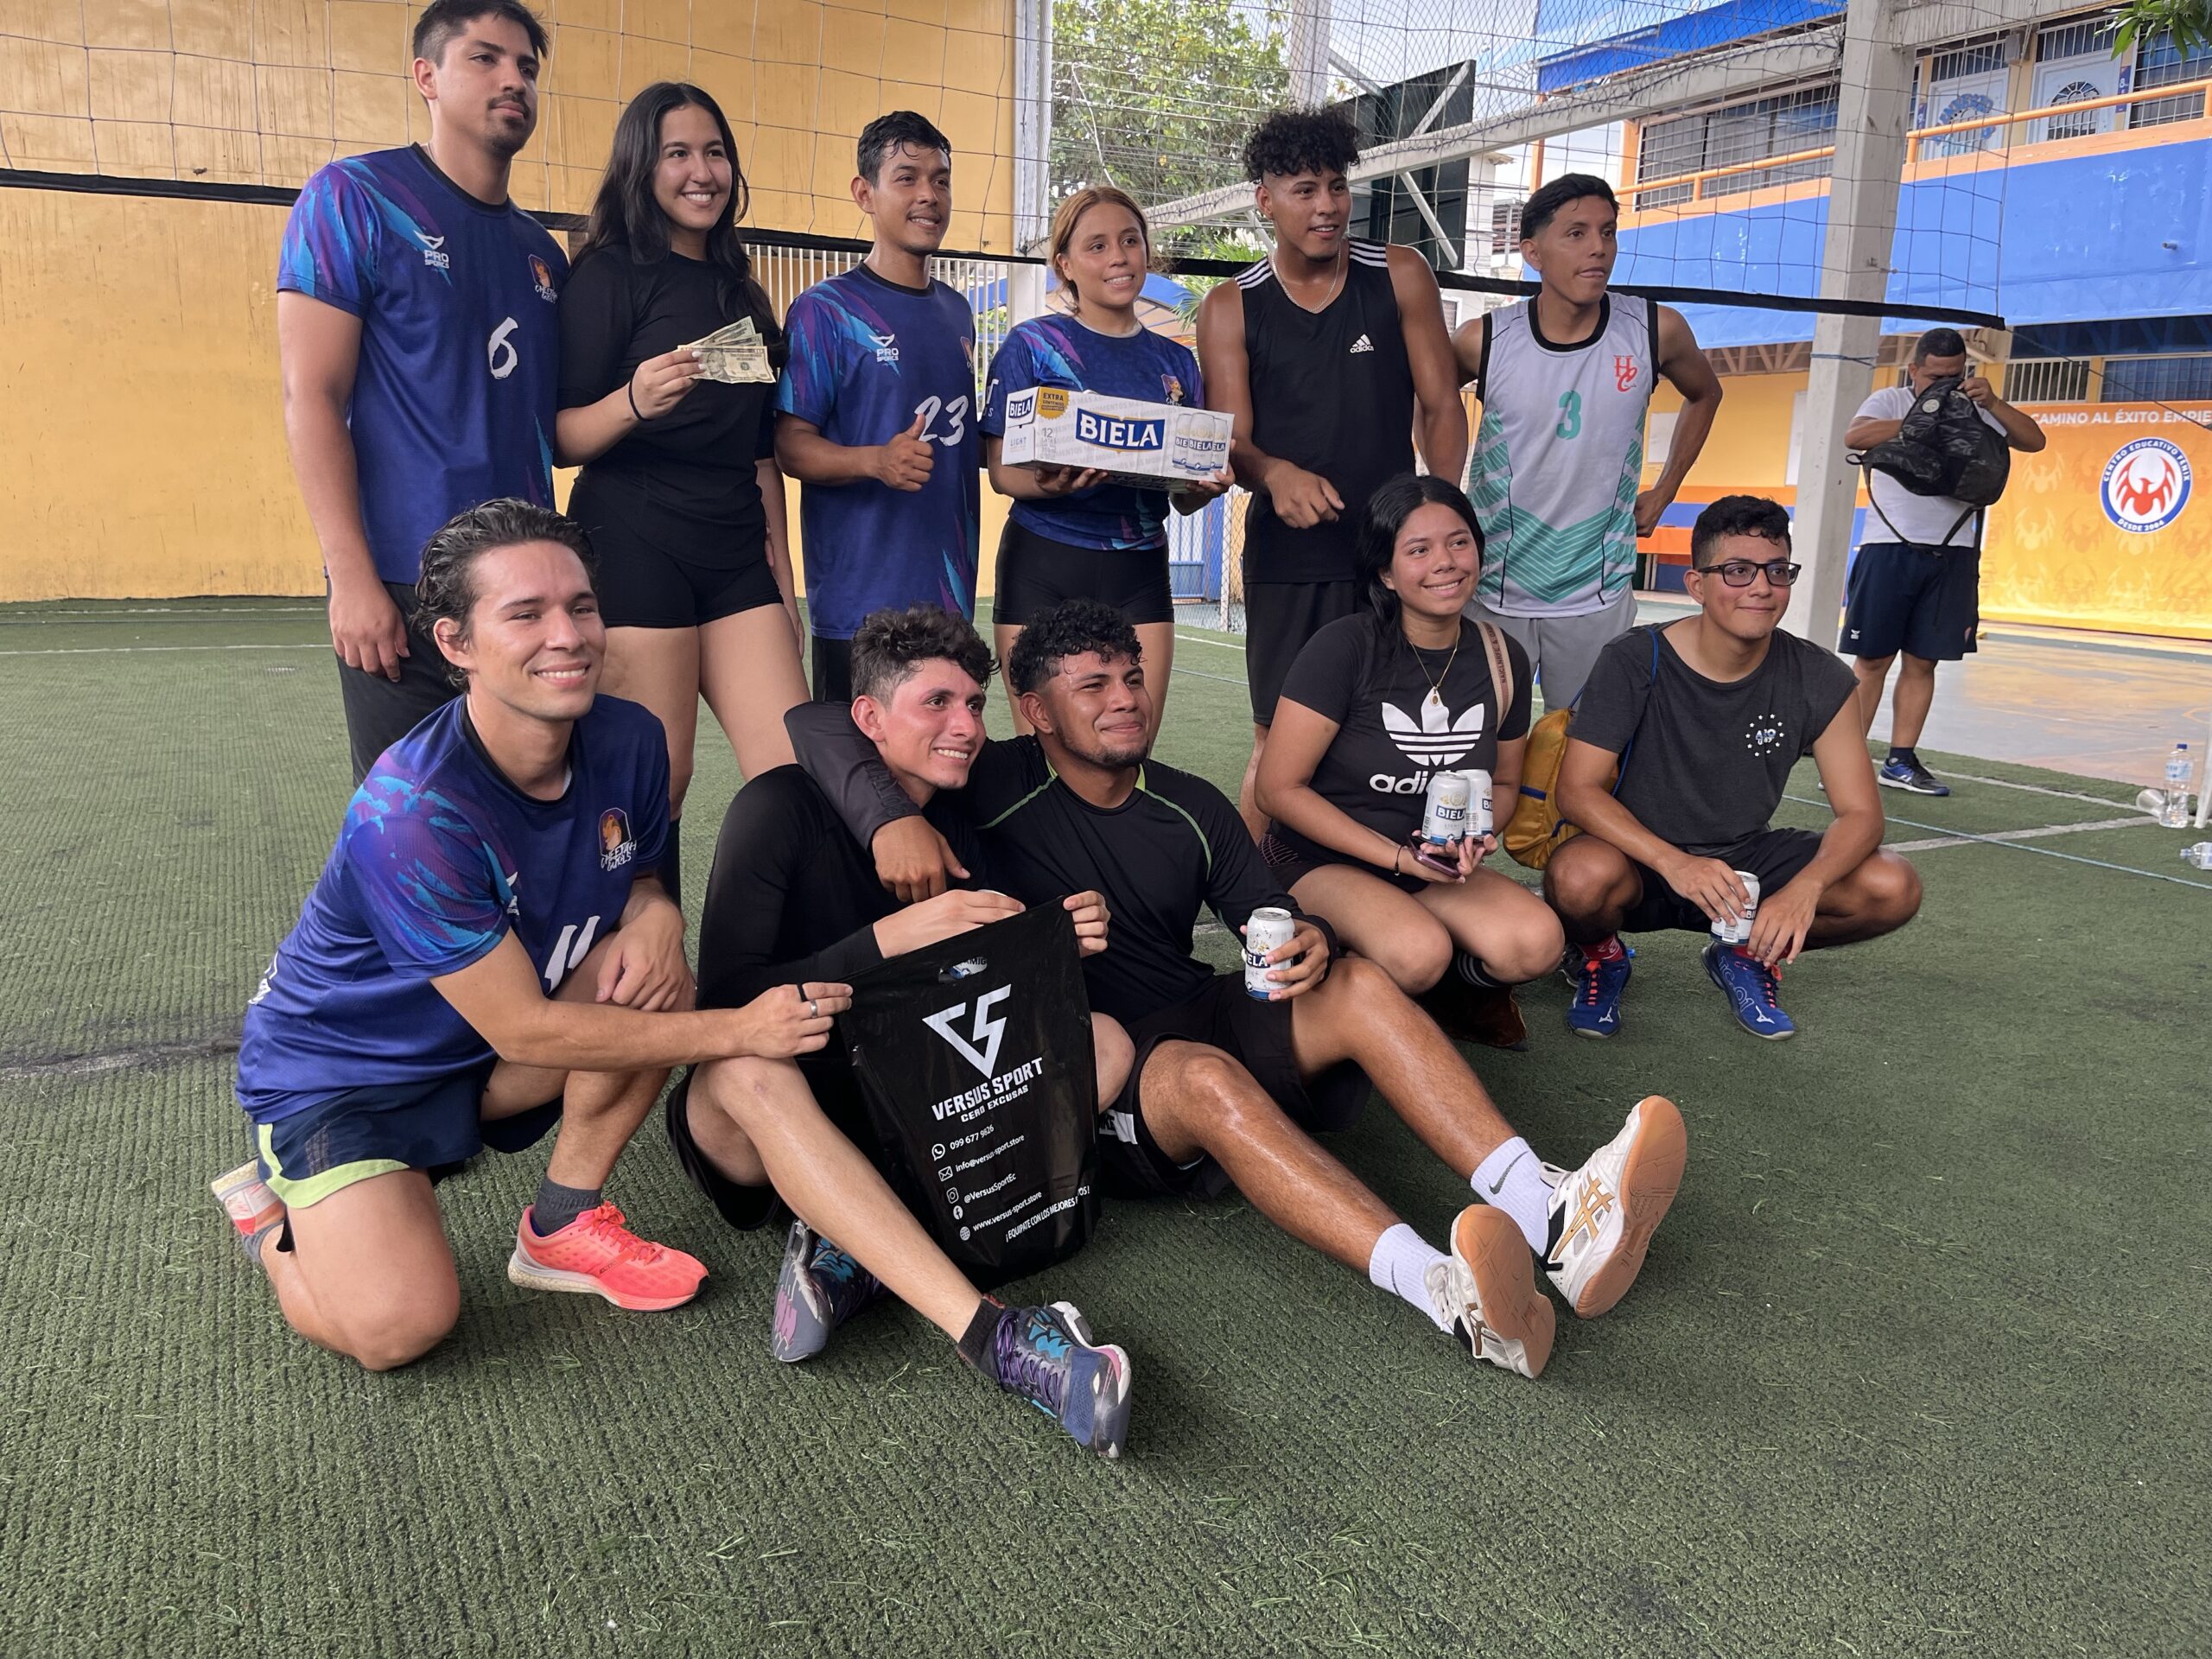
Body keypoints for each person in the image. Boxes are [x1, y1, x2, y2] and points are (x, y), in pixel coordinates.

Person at [789, 600, 1691, 1382]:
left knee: (1363, 983)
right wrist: (891, 818)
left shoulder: (1190, 803)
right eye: (1091, 684)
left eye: (1131, 677)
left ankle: (1548, 1213)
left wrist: (1310, 941)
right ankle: (1445, 1293)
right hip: (1097, 1066)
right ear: (1035, 711)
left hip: (1196, 1005)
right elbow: (819, 726)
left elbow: (1270, 912)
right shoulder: (984, 785)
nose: (1124, 698)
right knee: (1202, 1075)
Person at [207, 501, 848, 1372]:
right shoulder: (412, 813)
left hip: (481, 1054)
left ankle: (561, 1225)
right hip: (348, 1080)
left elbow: (644, 872)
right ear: (456, 643)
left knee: (655, 977)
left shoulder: (628, 736)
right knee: (401, 1329)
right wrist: (739, 1032)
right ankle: (271, 1227)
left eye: (581, 607)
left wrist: (658, 913)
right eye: (526, 613)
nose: (569, 635)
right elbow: (528, 1031)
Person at [670, 606, 1137, 1457]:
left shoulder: (967, 820)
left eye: (972, 705)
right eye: (936, 704)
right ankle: (995, 1338)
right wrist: (881, 945)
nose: (964, 727)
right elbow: (728, 1008)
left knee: (1103, 1039)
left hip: (896, 1105)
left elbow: (974, 1000)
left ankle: (854, 1253)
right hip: (762, 1112)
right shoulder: (777, 807)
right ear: (869, 719)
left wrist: (1052, 941)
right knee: (744, 1068)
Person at [276, 0, 569, 784]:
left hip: (522, 590)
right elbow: (311, 396)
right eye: (486, 59)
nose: (513, 79)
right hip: (405, 587)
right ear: (427, 77)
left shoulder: (542, 254)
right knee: (410, 826)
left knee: (527, 812)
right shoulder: (354, 198)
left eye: (528, 68)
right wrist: (352, 578)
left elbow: (555, 426)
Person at [1544, 496, 1923, 1042]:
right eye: (1738, 571)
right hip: (1638, 858)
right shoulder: (1635, 659)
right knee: (1577, 879)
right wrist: (1674, 863)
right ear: (1697, 585)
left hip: (1744, 865)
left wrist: (1806, 888)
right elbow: (1577, 791)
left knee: (1893, 884)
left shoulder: (1818, 677)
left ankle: (1747, 953)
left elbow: (1862, 814)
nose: (1762, 588)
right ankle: (1600, 955)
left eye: (1777, 571)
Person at [556, 81, 807, 906]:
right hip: (634, 539)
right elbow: (559, 437)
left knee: (796, 777)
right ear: (642, 165)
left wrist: (785, 582)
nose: (702, 172)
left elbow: (761, 454)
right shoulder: (608, 274)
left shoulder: (743, 291)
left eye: (715, 152)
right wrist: (634, 400)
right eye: (678, 154)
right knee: (657, 781)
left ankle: (771, 960)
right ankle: (641, 964)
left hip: (734, 548)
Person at [1196, 107, 1468, 836]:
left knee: (1389, 738)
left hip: (1390, 555)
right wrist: (1274, 472)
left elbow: (1442, 407)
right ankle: (1255, 904)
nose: (1326, 207)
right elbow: (1234, 441)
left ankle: (1390, 883)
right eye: (1304, 190)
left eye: (1336, 188)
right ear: (1266, 200)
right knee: (1277, 742)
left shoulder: (1400, 274)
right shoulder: (1229, 307)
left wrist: (1440, 510)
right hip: (1293, 560)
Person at [1255, 475, 1562, 1049]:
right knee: (1416, 952)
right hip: (1322, 859)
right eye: (1419, 550)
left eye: (1458, 542)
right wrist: (1397, 857)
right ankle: (1347, 992)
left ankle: (1452, 993)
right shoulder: (1344, 648)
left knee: (1536, 942)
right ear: (1386, 574)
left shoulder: (1503, 657)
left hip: (1432, 865)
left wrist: (1475, 835)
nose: (1445, 562)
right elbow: (1278, 790)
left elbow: (1503, 781)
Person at [1451, 173, 1723, 713]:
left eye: (1608, 232)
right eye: (1576, 233)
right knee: (1483, 749)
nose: (1598, 247)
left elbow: (1706, 394)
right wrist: (1444, 495)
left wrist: (1665, 490)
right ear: (1533, 252)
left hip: (1596, 590)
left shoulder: (1653, 329)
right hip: (1493, 586)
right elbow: (1429, 404)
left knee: (1579, 753)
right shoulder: (1483, 340)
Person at [980, 186, 1232, 736]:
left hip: (1138, 568)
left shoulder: (1176, 363)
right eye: (1097, 246)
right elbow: (1002, 474)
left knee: (1129, 743)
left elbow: (1183, 498)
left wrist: (1202, 489)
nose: (1118, 257)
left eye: (1130, 241)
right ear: (1065, 264)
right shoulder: (1032, 345)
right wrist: (1058, 486)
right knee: (1043, 750)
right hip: (1043, 561)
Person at [773, 111, 982, 702]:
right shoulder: (825, 309)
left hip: (948, 599)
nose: (929, 196)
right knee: (855, 785)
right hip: (860, 610)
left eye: (940, 180)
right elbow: (790, 444)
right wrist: (876, 462)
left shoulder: (957, 311)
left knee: (943, 775)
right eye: (908, 178)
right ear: (865, 193)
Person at [1843, 328, 2046, 796]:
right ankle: (1848, 761)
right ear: (1914, 369)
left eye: (1954, 376)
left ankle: (1900, 760)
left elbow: (2034, 441)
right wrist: (1923, 415)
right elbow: (1855, 435)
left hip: (1954, 552)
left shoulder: (1976, 405)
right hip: (1888, 548)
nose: (1945, 383)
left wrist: (1991, 403)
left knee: (1924, 661)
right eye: (1935, 376)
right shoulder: (1890, 400)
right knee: (1871, 660)